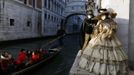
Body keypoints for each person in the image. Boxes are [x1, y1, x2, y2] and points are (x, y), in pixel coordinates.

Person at [78, 9, 128, 75]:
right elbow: (114, 30)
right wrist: (108, 32)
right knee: (111, 53)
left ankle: (101, 69)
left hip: (103, 38)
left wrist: (102, 31)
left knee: (99, 52)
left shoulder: (101, 22)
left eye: (101, 15)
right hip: (110, 38)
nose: (101, 17)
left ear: (104, 15)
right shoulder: (112, 22)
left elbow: (97, 30)